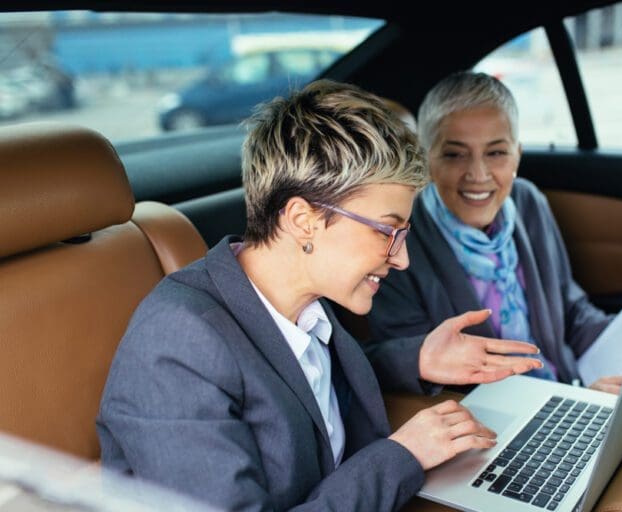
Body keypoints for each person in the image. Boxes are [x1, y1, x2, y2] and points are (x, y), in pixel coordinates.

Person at [96, 79, 545, 511]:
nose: (403, 258)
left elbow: (309, 383)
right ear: (303, 220)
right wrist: (401, 456)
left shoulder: (307, 304)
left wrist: (421, 358)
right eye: (389, 230)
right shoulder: (176, 347)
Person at [367, 71, 622, 511]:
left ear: (517, 154)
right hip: (527, 422)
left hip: (579, 383)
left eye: (496, 152)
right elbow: (414, 372)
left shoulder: (528, 205)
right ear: (426, 159)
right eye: (454, 154)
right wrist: (570, 398)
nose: (477, 174)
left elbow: (572, 310)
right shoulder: (405, 244)